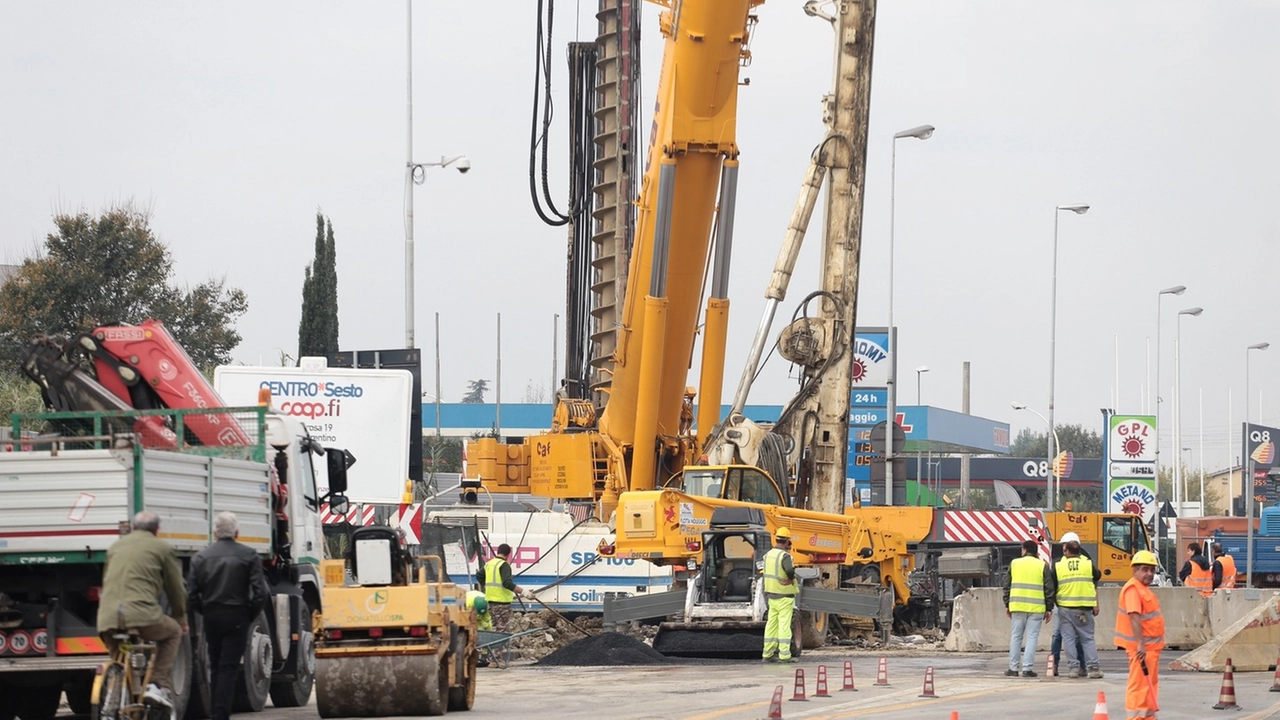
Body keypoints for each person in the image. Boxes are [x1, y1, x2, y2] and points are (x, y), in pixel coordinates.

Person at [97, 511, 189, 710]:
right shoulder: (161, 548)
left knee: (117, 659)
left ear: (132, 528)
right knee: (173, 632)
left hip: (107, 618)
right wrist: (180, 618)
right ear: (157, 530)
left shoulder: (115, 547)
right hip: (142, 616)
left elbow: (106, 581)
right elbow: (175, 588)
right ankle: (157, 685)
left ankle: (113, 699)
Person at [187, 512, 270, 720]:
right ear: (237, 533)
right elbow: (262, 593)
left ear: (214, 533)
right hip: (238, 615)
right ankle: (221, 714)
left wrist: (204, 610)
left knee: (214, 665)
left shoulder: (201, 557)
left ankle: (217, 712)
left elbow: (191, 593)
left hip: (211, 616)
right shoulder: (248, 555)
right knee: (229, 667)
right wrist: (249, 613)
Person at [1116, 550, 1164, 719]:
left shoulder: (1143, 590)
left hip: (1151, 649)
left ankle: (1147, 717)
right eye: (1145, 569)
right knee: (1139, 687)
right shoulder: (1133, 589)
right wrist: (1140, 644)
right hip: (1142, 650)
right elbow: (1134, 616)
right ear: (1134, 570)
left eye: (1152, 570)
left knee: (1149, 686)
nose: (1149, 573)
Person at [1053, 532, 1103, 679]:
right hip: (1084, 608)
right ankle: (1093, 668)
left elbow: (1053, 586)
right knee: (1087, 638)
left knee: (1068, 638)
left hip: (1065, 608)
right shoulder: (1087, 564)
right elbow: (1097, 576)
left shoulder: (1058, 565)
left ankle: (1073, 669)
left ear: (1066, 551)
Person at [1004, 539, 1054, 678]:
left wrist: (1007, 604)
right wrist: (1049, 608)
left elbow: (1006, 585)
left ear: (1024, 550)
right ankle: (1027, 669)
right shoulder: (1042, 565)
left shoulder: (1014, 564)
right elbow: (1049, 588)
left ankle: (1013, 669)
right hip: (1036, 608)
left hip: (1017, 607)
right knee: (1032, 637)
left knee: (1016, 637)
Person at [761, 527, 798, 663]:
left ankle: (768, 654)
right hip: (784, 595)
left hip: (771, 594)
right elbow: (789, 569)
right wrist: (790, 579)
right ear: (787, 541)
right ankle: (784, 655)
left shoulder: (767, 555)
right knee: (784, 625)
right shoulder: (785, 556)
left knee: (771, 624)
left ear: (776, 539)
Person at [478, 544, 527, 633]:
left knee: (495, 627)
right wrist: (524, 592)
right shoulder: (504, 565)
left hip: (491, 603)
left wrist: (486, 586)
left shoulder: (489, 564)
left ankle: (494, 646)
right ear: (508, 554)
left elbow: (479, 575)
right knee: (503, 630)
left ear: (498, 552)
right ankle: (500, 647)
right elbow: (507, 583)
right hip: (502, 603)